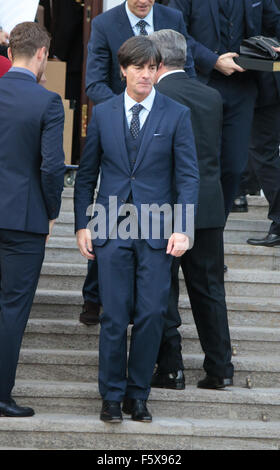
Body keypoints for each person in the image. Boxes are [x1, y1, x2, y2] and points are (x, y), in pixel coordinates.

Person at [74, 35, 199, 422]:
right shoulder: (104, 113)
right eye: (138, 67)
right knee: (114, 314)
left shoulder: (176, 114)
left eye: (152, 67)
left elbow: (189, 177)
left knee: (150, 314)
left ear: (158, 70)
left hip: (158, 230)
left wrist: (184, 227)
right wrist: (82, 224)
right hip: (111, 225)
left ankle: (137, 394)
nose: (146, 74)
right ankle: (111, 396)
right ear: (124, 69)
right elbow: (86, 175)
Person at [80, 0, 217, 323]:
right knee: (108, 226)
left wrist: (157, 113)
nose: (143, 0)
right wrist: (125, 113)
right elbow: (94, 82)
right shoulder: (103, 23)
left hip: (163, 136)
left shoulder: (173, 18)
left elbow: (189, 72)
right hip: (118, 132)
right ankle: (93, 296)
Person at [150, 29, 233, 390]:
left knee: (162, 289)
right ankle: (220, 368)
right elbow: (226, 157)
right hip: (209, 207)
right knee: (210, 289)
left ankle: (171, 368)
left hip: (163, 207)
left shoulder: (153, 95)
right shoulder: (211, 96)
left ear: (157, 60)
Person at [0, 21, 65, 417]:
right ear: (42, 54)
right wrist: (52, 211)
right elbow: (53, 167)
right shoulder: (47, 101)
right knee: (12, 310)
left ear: (9, 54)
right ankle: (1, 395)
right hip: (24, 220)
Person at [168, 0, 280, 221]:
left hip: (244, 87)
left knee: (234, 167)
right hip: (201, 85)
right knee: (199, 164)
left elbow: (274, 22)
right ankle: (191, 227)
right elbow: (175, 34)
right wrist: (213, 60)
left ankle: (217, 225)